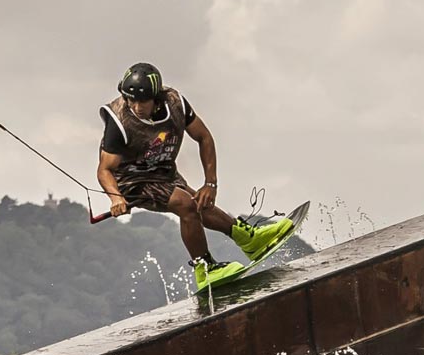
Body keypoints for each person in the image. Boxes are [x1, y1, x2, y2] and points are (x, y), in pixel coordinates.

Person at [97, 62, 291, 290]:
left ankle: (250, 241)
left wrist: (210, 184)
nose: (136, 107)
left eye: (143, 101)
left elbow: (204, 137)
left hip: (164, 171)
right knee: (186, 205)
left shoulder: (175, 104)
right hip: (131, 181)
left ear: (156, 98)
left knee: (200, 204)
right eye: (131, 100)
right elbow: (105, 170)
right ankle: (205, 268)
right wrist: (115, 198)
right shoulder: (119, 120)